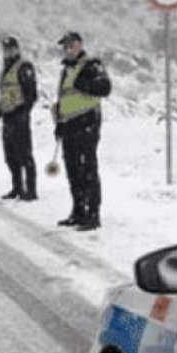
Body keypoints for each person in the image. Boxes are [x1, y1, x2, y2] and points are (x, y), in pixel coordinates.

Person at [53, 31, 111, 230]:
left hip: (87, 123)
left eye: (71, 45)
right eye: (65, 47)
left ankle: (93, 214)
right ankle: (78, 211)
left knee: (88, 170)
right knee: (73, 171)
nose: (68, 50)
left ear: (79, 45)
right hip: (69, 125)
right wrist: (59, 123)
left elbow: (105, 88)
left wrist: (84, 84)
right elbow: (64, 98)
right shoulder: (66, 70)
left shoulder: (91, 65)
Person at [0, 35, 38, 201]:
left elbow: (32, 94)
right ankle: (17, 188)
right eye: (5, 49)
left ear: (17, 49)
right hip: (7, 118)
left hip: (20, 118)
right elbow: (4, 96)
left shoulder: (24, 67)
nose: (8, 52)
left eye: (10, 49)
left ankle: (31, 190)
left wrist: (24, 113)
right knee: (10, 157)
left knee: (24, 155)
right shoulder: (5, 71)